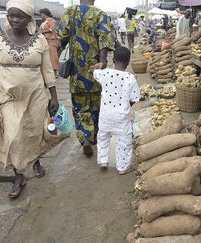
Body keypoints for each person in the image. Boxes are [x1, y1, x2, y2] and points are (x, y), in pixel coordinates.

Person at [0, 0, 62, 198]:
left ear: (29, 18)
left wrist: (54, 97)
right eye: (11, 16)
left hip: (35, 95)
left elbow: (47, 70)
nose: (15, 20)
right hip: (9, 96)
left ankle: (35, 161)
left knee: (33, 133)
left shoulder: (39, 40)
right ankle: (19, 176)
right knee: (13, 136)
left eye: (20, 16)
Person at [58, 0, 114, 156]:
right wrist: (102, 61)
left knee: (80, 106)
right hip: (95, 69)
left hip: (76, 71)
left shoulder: (69, 13)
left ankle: (85, 138)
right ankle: (94, 136)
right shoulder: (100, 14)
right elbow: (104, 38)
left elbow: (61, 38)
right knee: (95, 104)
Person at [91, 46, 140, 174]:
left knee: (102, 138)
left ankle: (103, 160)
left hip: (105, 115)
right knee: (124, 142)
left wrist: (99, 66)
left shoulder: (105, 73)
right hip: (121, 117)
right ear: (128, 62)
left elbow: (94, 72)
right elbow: (135, 98)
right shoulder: (130, 78)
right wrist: (126, 103)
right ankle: (122, 167)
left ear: (113, 59)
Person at [39, 8, 59, 77]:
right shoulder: (43, 23)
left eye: (41, 14)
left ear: (44, 14)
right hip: (45, 41)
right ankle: (48, 72)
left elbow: (52, 29)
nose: (41, 16)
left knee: (53, 56)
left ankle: (55, 72)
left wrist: (43, 32)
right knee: (47, 56)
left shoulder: (52, 20)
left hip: (51, 40)